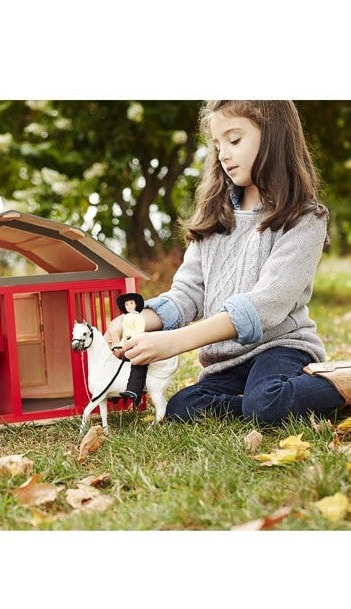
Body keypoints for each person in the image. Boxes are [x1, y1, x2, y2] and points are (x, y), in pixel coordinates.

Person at [108, 100, 350, 424]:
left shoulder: (304, 219)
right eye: (217, 144)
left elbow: (267, 304)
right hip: (225, 362)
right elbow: (187, 294)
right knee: (182, 408)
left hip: (280, 347)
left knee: (266, 403)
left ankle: (337, 383)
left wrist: (174, 342)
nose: (223, 154)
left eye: (234, 140)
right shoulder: (214, 218)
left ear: (274, 137)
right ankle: (252, 404)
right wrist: (135, 322)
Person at [109, 292, 148, 407]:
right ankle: (116, 393)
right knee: (122, 367)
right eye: (127, 304)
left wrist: (132, 340)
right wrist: (119, 345)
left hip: (136, 344)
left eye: (131, 303)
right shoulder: (126, 317)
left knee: (137, 365)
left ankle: (134, 390)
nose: (129, 306)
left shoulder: (139, 317)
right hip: (127, 344)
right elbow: (125, 334)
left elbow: (140, 331)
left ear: (136, 304)